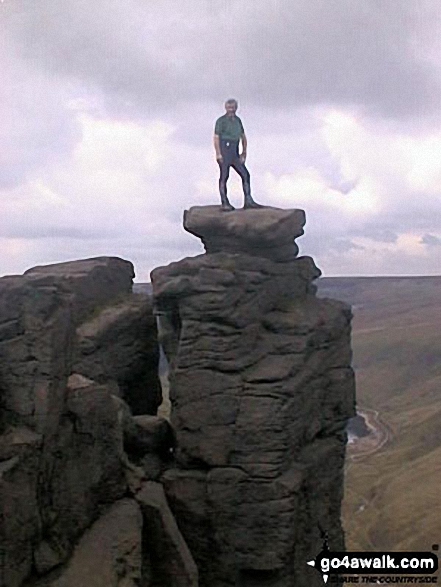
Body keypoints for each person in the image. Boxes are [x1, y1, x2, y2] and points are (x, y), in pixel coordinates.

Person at [213, 99, 263, 211]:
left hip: (234, 150)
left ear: (236, 108)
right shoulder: (221, 121)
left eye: (233, 107)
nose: (231, 110)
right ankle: (224, 202)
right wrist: (218, 153)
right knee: (224, 176)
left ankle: (248, 200)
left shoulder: (238, 121)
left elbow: (243, 137)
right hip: (225, 148)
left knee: (245, 174)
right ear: (226, 108)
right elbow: (216, 137)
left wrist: (244, 152)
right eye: (229, 107)